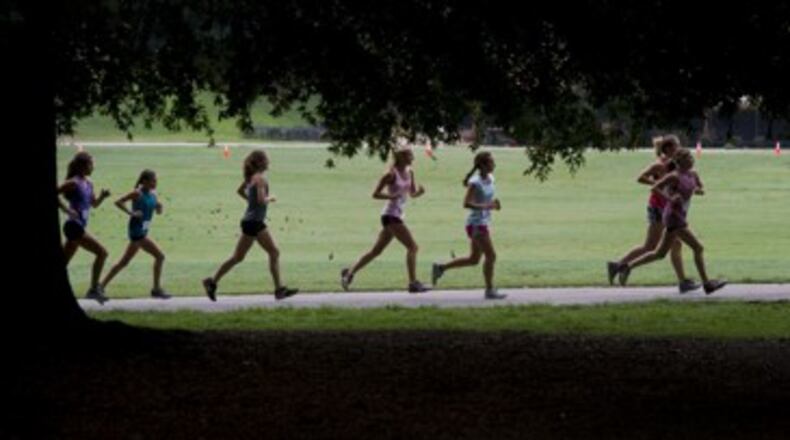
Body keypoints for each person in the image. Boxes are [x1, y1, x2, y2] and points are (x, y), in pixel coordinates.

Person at [616, 148, 727, 294]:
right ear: (680, 162)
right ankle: (707, 284)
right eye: (688, 158)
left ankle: (627, 267)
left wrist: (697, 190)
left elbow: (699, 187)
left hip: (681, 214)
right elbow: (655, 188)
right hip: (673, 216)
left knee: (660, 254)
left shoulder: (693, 174)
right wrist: (670, 198)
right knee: (698, 248)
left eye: (691, 157)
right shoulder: (674, 176)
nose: (692, 160)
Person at [203, 150, 298, 301]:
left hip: (251, 222)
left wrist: (250, 201)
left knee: (238, 257)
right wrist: (270, 198)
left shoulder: (251, 178)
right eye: (266, 160)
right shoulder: (259, 179)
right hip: (254, 223)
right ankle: (279, 290)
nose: (268, 162)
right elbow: (261, 200)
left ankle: (212, 282)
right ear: (260, 162)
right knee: (273, 252)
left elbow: (240, 191)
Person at [340, 138, 430, 293]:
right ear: (401, 157)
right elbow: (375, 194)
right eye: (410, 155)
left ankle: (349, 273)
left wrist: (419, 193)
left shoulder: (410, 172)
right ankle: (413, 283)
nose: (413, 158)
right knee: (413, 247)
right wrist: (391, 197)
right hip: (390, 215)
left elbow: (412, 193)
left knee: (376, 251)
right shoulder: (390, 174)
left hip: (397, 215)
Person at [431, 151, 506, 299]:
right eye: (491, 162)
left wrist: (494, 205)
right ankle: (489, 290)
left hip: (483, 222)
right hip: (476, 224)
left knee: (474, 259)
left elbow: (488, 199)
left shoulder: (491, 178)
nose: (494, 164)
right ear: (483, 165)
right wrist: (487, 206)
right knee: (491, 256)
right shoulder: (475, 182)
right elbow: (466, 203)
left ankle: (440, 267)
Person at [100, 169, 170, 299]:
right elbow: (118, 202)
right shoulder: (137, 193)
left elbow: (156, 207)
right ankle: (156, 289)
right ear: (144, 181)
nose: (155, 183)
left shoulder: (153, 194)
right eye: (153, 180)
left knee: (125, 262)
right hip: (136, 232)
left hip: (143, 232)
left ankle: (101, 286)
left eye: (156, 180)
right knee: (158, 256)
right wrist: (131, 213)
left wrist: (159, 207)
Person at [58, 151, 111, 303]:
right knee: (102, 253)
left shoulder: (89, 183)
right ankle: (93, 290)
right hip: (73, 226)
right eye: (91, 164)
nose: (93, 167)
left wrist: (102, 196)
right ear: (83, 166)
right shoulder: (73, 182)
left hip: (79, 226)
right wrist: (66, 209)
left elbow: (93, 204)